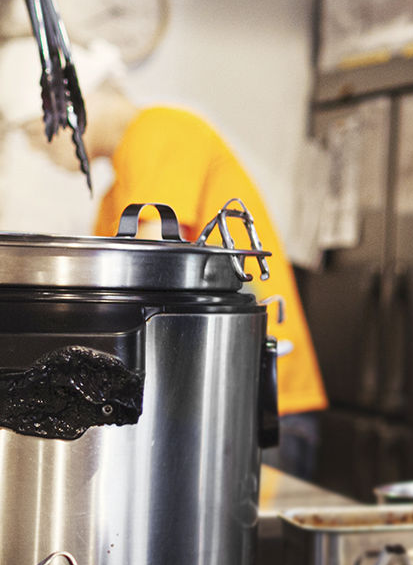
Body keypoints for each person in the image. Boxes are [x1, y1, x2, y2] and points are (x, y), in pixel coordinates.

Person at [87, 93, 327, 476]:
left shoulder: (159, 128)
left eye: (36, 126)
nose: (38, 143)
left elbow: (154, 264)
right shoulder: (114, 197)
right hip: (200, 403)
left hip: (251, 398)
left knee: (245, 534)